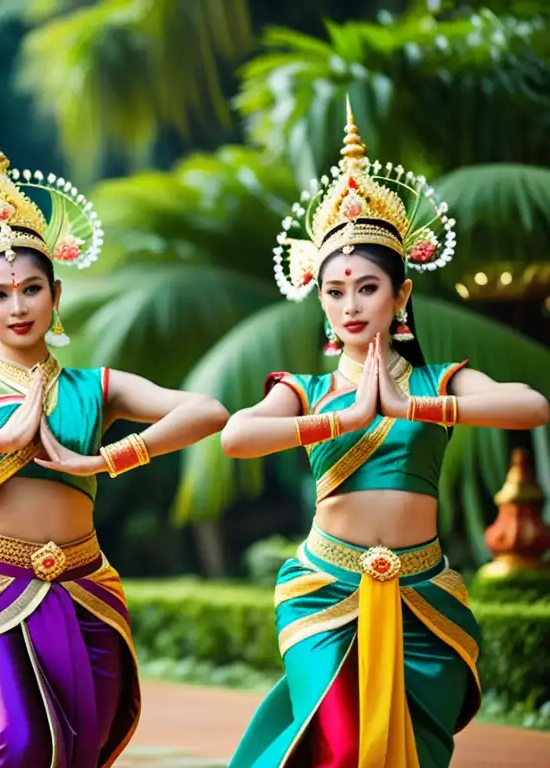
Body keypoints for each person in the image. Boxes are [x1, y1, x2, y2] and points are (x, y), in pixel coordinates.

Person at [0, 110, 229, 767]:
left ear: (55, 294)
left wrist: (110, 455)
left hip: (86, 583)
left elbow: (207, 410)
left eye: (31, 289)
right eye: (0, 294)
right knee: (18, 743)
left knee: (79, 752)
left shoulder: (97, 386)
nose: (18, 306)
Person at [223, 99, 550, 767]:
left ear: (400, 296)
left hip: (424, 595)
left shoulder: (439, 384)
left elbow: (532, 404)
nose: (350, 305)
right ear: (319, 298)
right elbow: (235, 436)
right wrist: (341, 419)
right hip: (324, 590)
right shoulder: (304, 391)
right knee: (341, 747)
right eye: (335, 290)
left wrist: (411, 409)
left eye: (367, 288)